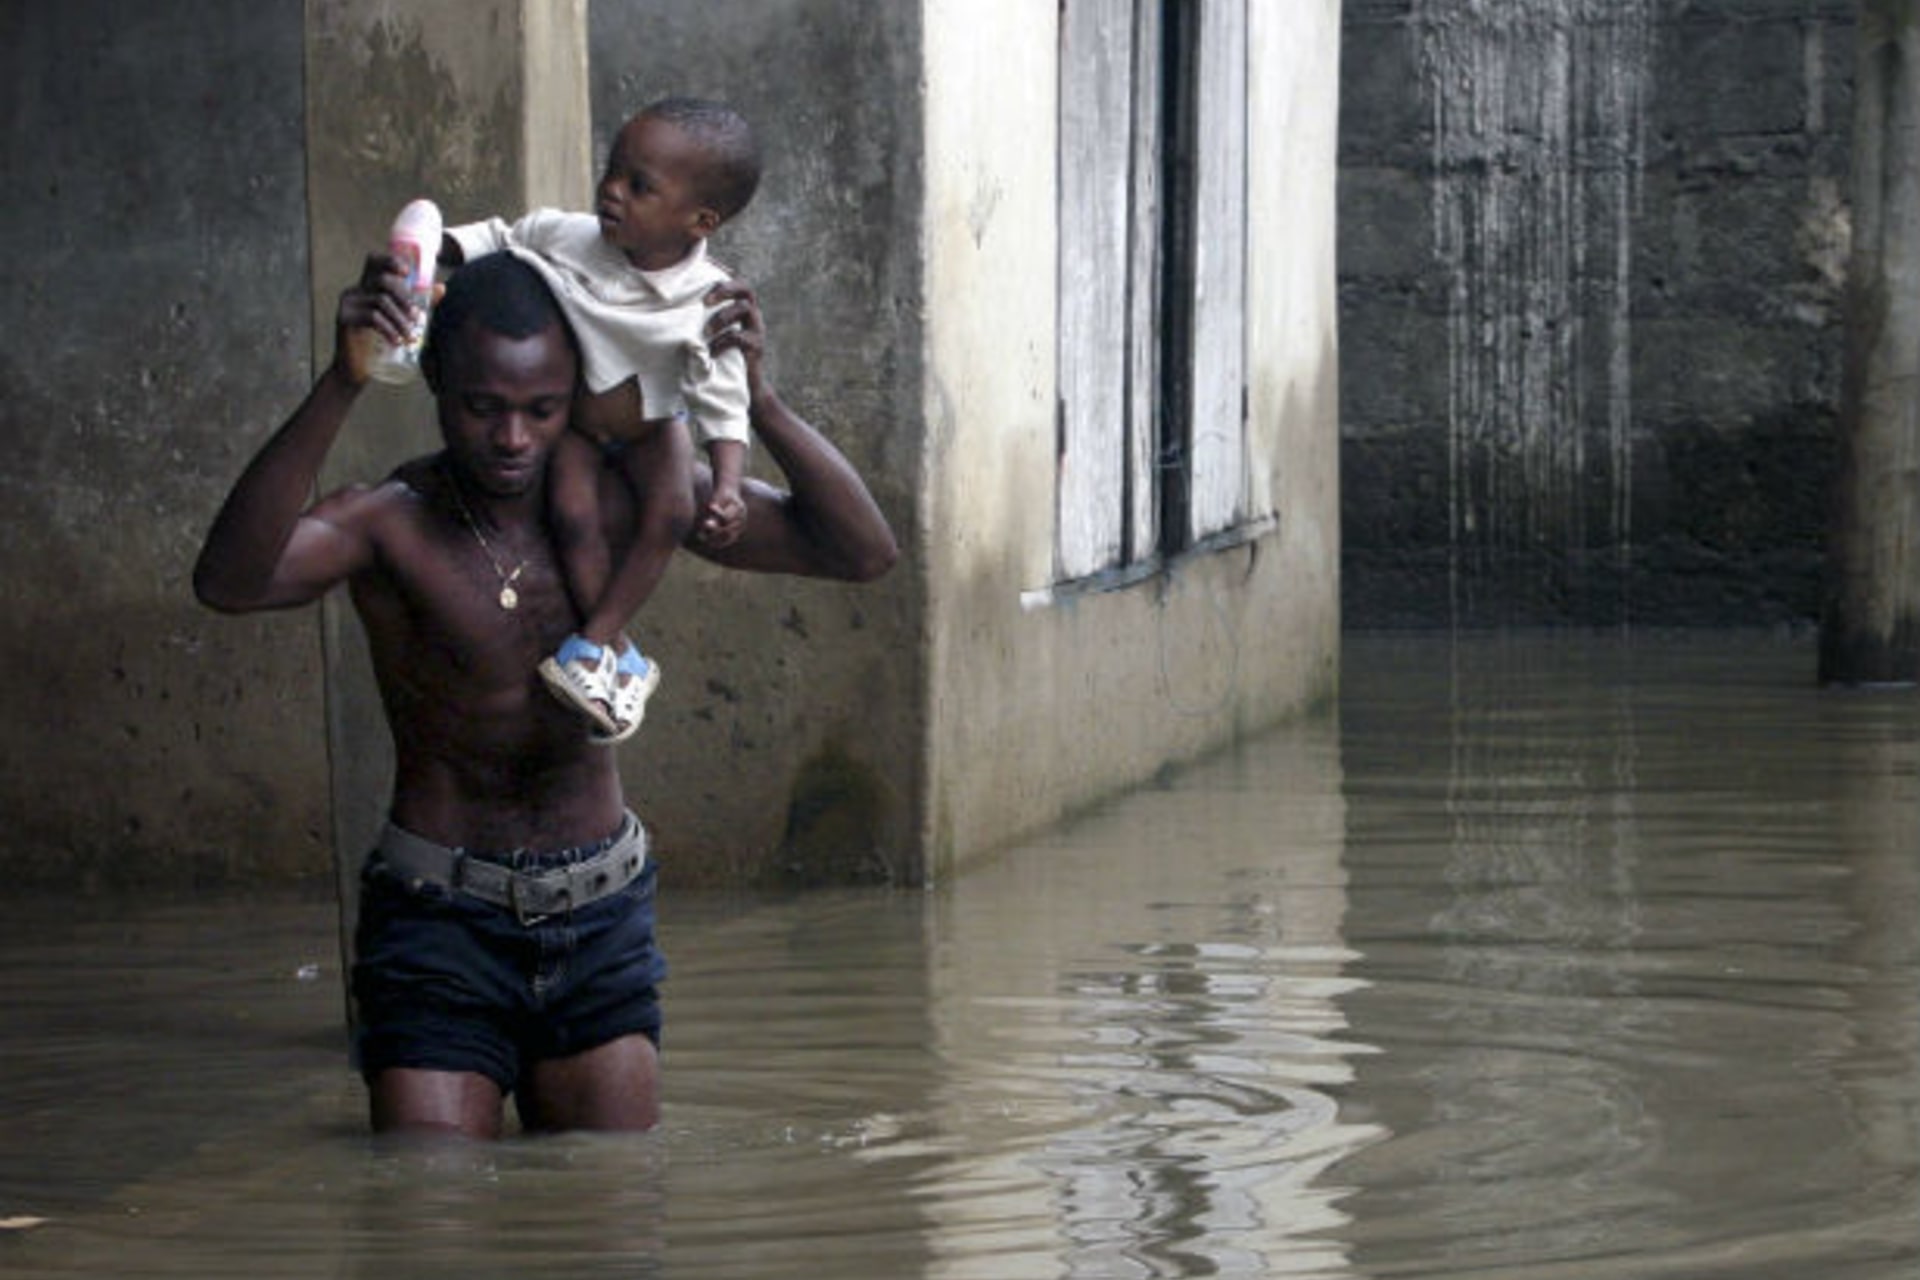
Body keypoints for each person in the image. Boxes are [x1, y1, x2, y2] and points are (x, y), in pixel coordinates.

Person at [192, 249, 896, 1139]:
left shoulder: (623, 502)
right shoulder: (389, 521)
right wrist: (344, 379)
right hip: (437, 922)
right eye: (483, 408)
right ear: (438, 383)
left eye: (541, 409)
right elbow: (229, 582)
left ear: (579, 393)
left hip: (599, 918)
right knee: (429, 1217)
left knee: (605, 1217)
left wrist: (756, 401)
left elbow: (861, 552)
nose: (513, 439)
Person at [440, 98, 763, 744]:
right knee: (573, 514)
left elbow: (723, 399)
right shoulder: (571, 236)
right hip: (583, 426)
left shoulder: (709, 298)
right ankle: (607, 649)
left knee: (670, 514)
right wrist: (437, 250)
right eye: (612, 170)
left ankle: (598, 642)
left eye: (639, 186)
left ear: (701, 220)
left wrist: (728, 485)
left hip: (654, 424)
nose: (612, 191)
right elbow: (501, 237)